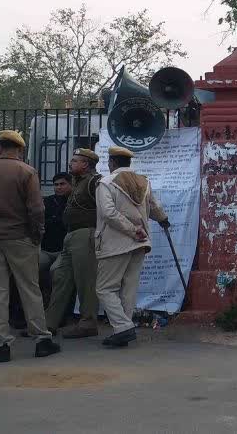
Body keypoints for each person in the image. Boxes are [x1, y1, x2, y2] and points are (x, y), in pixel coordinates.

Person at [0, 130, 60, 362]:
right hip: (21, 237)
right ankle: (41, 339)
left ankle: (2, 343)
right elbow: (37, 209)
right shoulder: (26, 171)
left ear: (0, 148)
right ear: (19, 149)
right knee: (29, 288)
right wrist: (37, 233)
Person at [95, 146, 170, 348]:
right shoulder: (143, 182)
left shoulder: (106, 183)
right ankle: (124, 330)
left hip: (115, 242)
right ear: (128, 163)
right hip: (140, 243)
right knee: (128, 288)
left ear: (112, 163)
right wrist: (163, 220)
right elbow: (154, 207)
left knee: (105, 288)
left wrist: (131, 229)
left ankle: (123, 327)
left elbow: (108, 214)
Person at [46, 149, 103, 339]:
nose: (70, 163)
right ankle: (49, 324)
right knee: (60, 276)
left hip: (85, 234)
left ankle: (88, 323)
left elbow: (106, 208)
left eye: (75, 160)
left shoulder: (95, 182)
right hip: (71, 236)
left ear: (85, 164)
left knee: (86, 281)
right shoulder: (79, 182)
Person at [39, 173, 72, 300]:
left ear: (71, 184)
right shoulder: (48, 201)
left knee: (55, 271)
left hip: (63, 251)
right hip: (46, 250)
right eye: (56, 185)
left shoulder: (74, 203)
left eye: (62, 184)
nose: (58, 187)